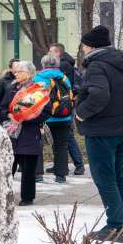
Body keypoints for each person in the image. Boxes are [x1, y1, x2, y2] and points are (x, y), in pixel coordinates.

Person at [74, 26, 123, 242]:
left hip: (102, 130)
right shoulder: (121, 63)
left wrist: (80, 113)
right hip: (121, 127)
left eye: (83, 44)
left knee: (105, 178)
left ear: (91, 46)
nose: (82, 48)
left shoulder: (97, 65)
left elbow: (99, 95)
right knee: (117, 176)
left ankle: (116, 226)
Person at [0, 61, 47, 207]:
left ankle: (27, 197)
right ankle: (3, 195)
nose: (15, 74)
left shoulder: (38, 90)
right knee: (7, 166)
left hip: (29, 133)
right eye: (15, 71)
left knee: (28, 168)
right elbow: (3, 107)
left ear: (29, 73)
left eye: (19, 71)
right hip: (12, 133)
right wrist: (9, 116)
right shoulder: (12, 88)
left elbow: (46, 111)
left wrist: (27, 118)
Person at [34, 54, 75, 184]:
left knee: (37, 145)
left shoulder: (39, 77)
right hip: (64, 116)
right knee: (61, 146)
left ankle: (38, 174)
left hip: (45, 117)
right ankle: (61, 175)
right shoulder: (64, 77)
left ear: (43, 65)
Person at [49, 43, 86, 175]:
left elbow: (64, 86)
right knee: (60, 136)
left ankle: (79, 164)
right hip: (65, 104)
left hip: (63, 106)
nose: (49, 54)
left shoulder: (63, 65)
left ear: (58, 53)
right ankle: (59, 164)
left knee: (67, 136)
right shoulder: (65, 64)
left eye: (51, 52)